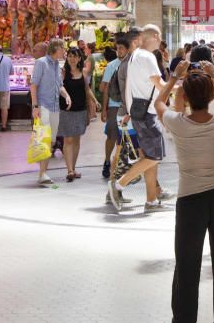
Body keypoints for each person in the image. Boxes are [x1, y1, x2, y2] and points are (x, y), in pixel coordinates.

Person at [155, 61, 214, 323]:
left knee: (187, 263)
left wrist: (173, 78)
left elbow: (158, 101)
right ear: (213, 94)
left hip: (190, 199)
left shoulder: (177, 123)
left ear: (187, 97)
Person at [108, 25, 170, 212]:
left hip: (138, 113)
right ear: (152, 37)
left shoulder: (134, 57)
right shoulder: (147, 56)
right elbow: (159, 85)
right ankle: (119, 183)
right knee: (155, 156)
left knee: (150, 157)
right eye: (158, 36)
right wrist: (181, 88)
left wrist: (129, 111)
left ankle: (151, 201)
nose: (159, 40)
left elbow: (129, 87)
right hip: (146, 114)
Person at [30, 39, 71, 186]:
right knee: (44, 140)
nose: (64, 51)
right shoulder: (41, 63)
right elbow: (33, 85)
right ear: (56, 48)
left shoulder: (56, 65)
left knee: (51, 141)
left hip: (54, 107)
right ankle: (42, 173)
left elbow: (59, 86)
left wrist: (66, 96)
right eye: (63, 49)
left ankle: (43, 172)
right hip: (43, 107)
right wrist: (35, 106)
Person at [60, 47, 98, 181]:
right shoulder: (63, 73)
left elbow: (87, 90)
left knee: (76, 140)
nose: (72, 59)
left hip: (81, 109)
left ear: (79, 58)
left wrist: (95, 100)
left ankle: (73, 168)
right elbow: (59, 87)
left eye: (75, 56)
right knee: (68, 139)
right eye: (70, 56)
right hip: (66, 110)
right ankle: (69, 170)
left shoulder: (83, 73)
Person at [99, 45, 122, 179]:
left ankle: (120, 163)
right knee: (112, 136)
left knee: (127, 137)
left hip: (129, 106)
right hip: (114, 105)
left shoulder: (133, 64)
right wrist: (104, 109)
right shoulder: (111, 65)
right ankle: (107, 161)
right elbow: (105, 88)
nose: (120, 51)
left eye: (123, 48)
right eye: (118, 49)